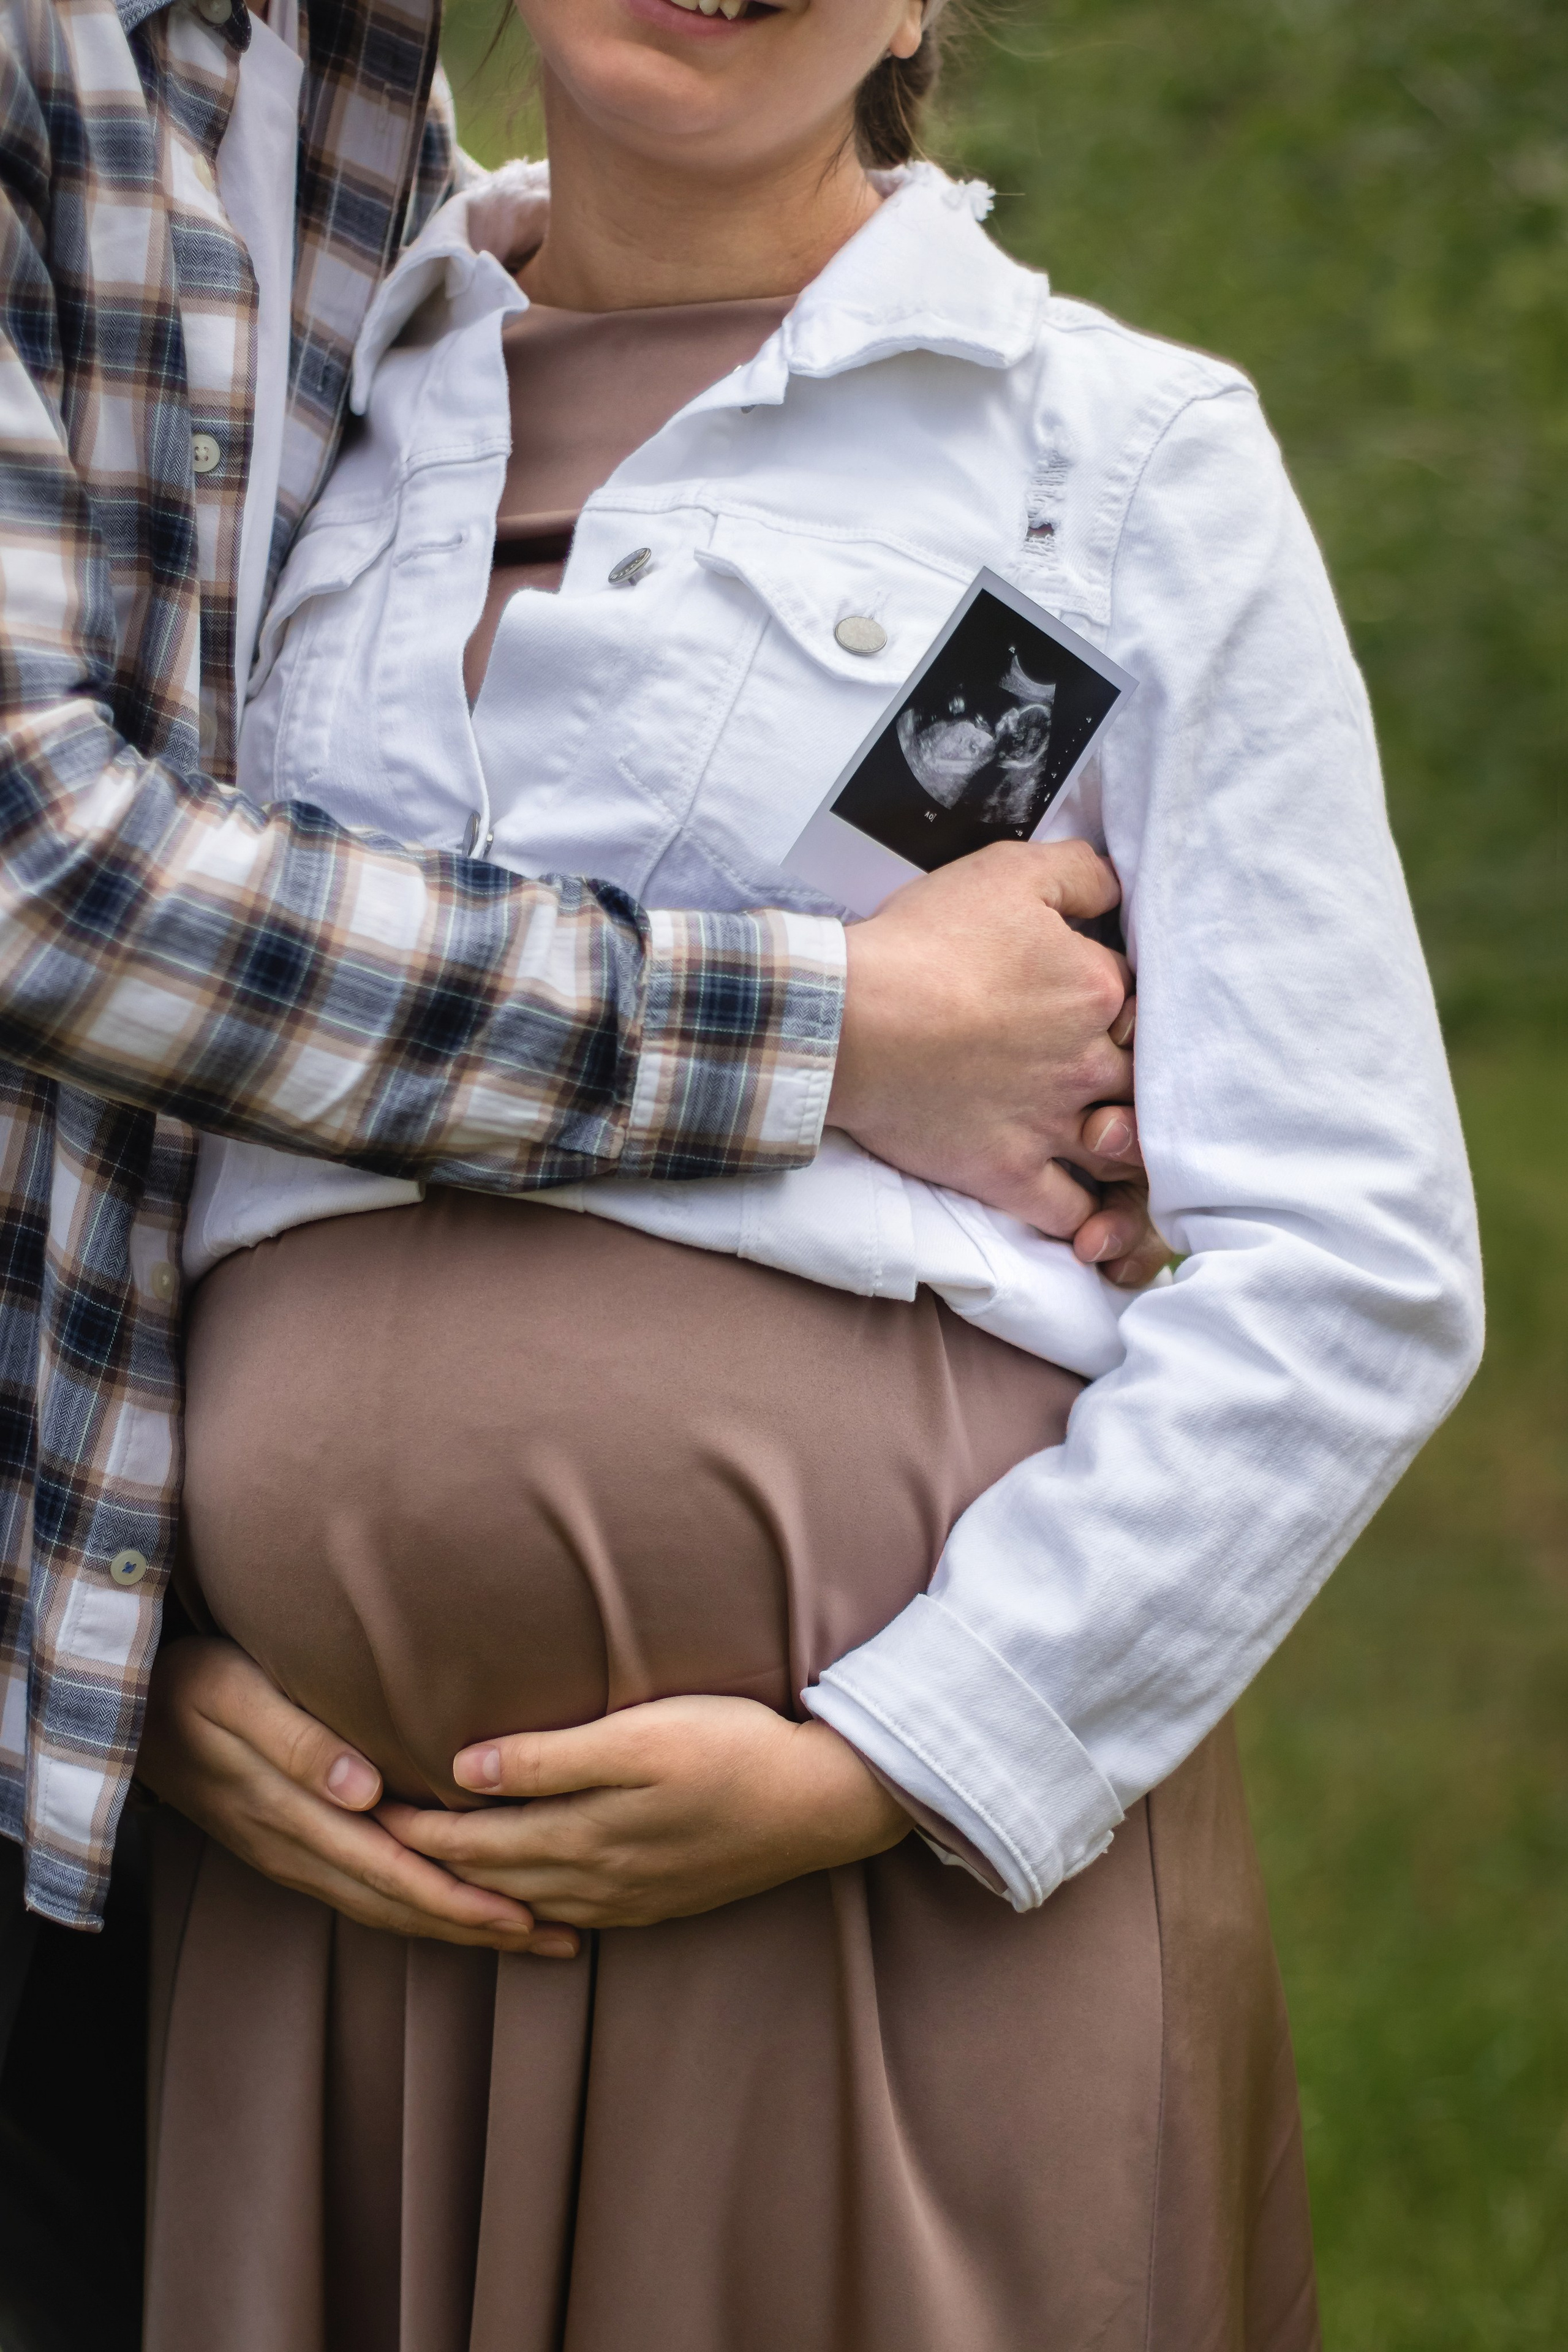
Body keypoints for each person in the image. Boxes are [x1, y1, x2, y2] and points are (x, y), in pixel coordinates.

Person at [130, 0, 1483, 2345]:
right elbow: (100, 1038)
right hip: (316, 1881)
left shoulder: (1115, 458)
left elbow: (1349, 1256)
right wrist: (121, 1638)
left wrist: (896, 1756)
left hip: (869, 1906)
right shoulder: (267, 403)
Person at [0, 0, 1161, 2332]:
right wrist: (829, 1035)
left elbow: (1324, 1245)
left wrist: (908, 1750)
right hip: (223, 1814)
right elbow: (48, 876)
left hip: (784, 1864)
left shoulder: (352, 113)